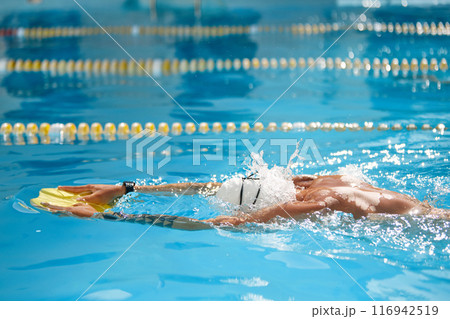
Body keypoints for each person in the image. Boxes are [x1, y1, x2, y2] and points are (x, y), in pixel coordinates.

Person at [40, 174, 447, 228]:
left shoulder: (300, 204)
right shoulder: (311, 180)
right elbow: (209, 186)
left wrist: (113, 218)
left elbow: (207, 225)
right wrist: (130, 187)